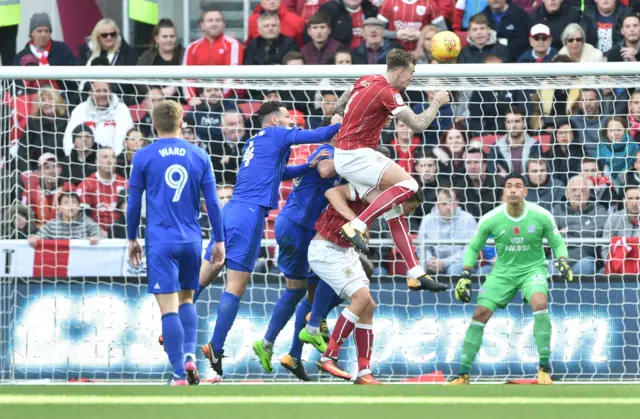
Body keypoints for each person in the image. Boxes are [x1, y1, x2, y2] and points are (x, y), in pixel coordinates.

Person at [200, 102, 343, 377]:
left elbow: (278, 174)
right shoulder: (279, 134)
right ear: (275, 120)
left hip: (229, 210)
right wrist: (343, 122)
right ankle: (216, 346)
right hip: (251, 215)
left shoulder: (254, 141)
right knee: (235, 287)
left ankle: (170, 327)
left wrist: (305, 166)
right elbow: (315, 134)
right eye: (288, 117)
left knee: (204, 276)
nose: (291, 122)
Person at [331, 48, 449, 293]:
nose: (412, 79)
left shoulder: (365, 79)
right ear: (400, 71)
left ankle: (416, 273)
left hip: (346, 155)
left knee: (395, 212)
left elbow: (340, 105)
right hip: (356, 155)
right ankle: (358, 224)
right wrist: (436, 102)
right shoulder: (389, 92)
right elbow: (418, 125)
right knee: (410, 186)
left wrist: (354, 118)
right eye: (411, 73)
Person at [127, 100, 225, 386]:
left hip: (160, 241)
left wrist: (132, 237)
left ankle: (179, 373)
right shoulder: (199, 154)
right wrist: (219, 239)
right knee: (186, 300)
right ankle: (190, 355)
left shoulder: (143, 156)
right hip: (192, 240)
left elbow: (134, 204)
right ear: (182, 122)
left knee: (168, 308)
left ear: (154, 125)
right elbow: (214, 203)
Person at [448, 173, 573, 385]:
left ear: (525, 191)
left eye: (518, 186)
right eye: (509, 186)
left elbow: (558, 242)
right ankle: (463, 373)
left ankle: (544, 369)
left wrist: (562, 259)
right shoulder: (491, 218)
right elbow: (473, 247)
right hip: (503, 271)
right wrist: (466, 273)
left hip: (532, 269)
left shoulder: (541, 215)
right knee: (480, 313)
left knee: (540, 302)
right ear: (504, 192)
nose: (513, 189)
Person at [304, 182, 423, 383]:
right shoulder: (363, 188)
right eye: (412, 207)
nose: (411, 212)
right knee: (361, 298)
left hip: (345, 252)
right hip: (325, 249)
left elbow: (399, 233)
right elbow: (332, 191)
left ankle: (364, 372)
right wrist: (354, 222)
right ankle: (329, 357)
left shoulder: (387, 204)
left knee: (368, 305)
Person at [252, 134, 338, 381]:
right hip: (300, 227)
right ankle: (312, 327)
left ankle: (279, 347)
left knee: (301, 290)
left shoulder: (337, 155)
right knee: (326, 282)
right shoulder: (328, 153)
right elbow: (323, 171)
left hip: (295, 224)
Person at [553, 175, 608, 276]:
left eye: (582, 190)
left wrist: (568, 230)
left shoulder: (599, 210)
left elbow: (596, 233)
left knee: (585, 266)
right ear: (567, 194)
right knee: (551, 267)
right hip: (560, 258)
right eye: (574, 190)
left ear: (588, 194)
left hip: (586, 258)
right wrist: (583, 232)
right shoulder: (557, 210)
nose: (578, 194)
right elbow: (552, 235)